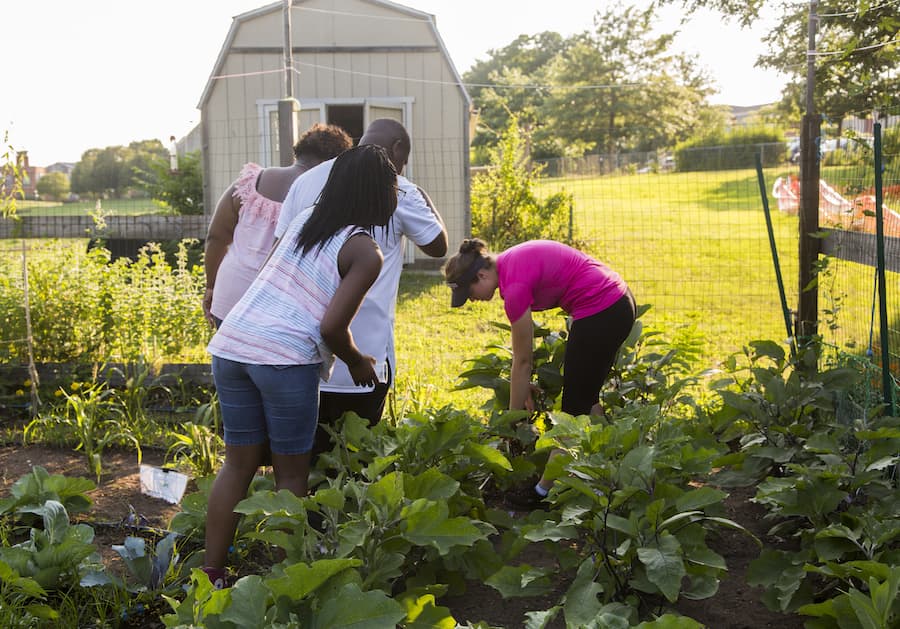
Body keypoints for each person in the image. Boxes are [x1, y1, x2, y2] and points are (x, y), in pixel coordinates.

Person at [201, 145, 398, 588]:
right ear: (383, 196)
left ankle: (210, 574)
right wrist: (358, 362)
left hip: (233, 345)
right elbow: (331, 327)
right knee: (291, 474)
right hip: (284, 358)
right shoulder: (365, 250)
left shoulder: (304, 220)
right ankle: (284, 581)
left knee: (237, 465)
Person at [275, 118, 447, 458]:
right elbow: (437, 245)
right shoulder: (398, 187)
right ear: (397, 150)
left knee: (301, 459)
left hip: (294, 352)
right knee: (355, 462)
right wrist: (418, 191)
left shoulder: (306, 181)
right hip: (361, 358)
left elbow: (280, 252)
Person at [443, 238, 636, 507]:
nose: (472, 300)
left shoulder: (514, 286)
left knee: (573, 412)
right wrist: (522, 386)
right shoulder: (511, 262)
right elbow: (525, 363)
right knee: (586, 396)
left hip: (601, 310)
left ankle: (543, 492)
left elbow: (522, 361)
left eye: (470, 292)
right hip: (616, 301)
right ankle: (610, 470)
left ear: (482, 274)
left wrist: (511, 424)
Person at [203, 123, 353, 327]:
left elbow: (216, 238)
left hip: (230, 297)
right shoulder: (325, 195)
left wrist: (211, 286)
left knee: (231, 356)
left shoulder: (250, 181)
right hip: (282, 307)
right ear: (337, 163)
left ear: (299, 152)